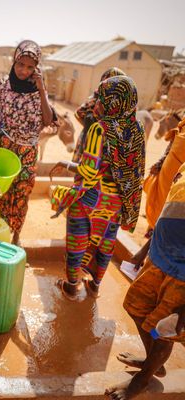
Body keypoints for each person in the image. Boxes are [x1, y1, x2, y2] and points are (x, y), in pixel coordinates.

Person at [49, 75, 145, 299]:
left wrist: (67, 164)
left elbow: (89, 171)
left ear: (113, 102)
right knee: (105, 245)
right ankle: (95, 287)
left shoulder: (100, 129)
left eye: (102, 99)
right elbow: (136, 170)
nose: (98, 104)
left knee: (78, 241)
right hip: (117, 204)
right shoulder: (138, 129)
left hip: (92, 199)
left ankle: (72, 287)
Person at [106, 164, 185, 400]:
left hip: (181, 275)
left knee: (165, 330)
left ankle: (140, 381)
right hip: (159, 257)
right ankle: (154, 363)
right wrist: (144, 250)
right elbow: (169, 210)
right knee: (135, 306)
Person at [0, 40, 57, 245]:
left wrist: (42, 90)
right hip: (6, 148)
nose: (24, 70)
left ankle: (16, 237)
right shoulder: (1, 87)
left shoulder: (38, 92)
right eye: (20, 64)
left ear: (36, 69)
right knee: (1, 192)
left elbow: (48, 120)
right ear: (14, 60)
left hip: (28, 152)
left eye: (30, 67)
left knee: (22, 194)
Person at [142, 116, 185, 237]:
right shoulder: (180, 130)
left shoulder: (180, 130)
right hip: (170, 176)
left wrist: (159, 164)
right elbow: (170, 152)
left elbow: (169, 152)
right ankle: (152, 228)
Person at [72, 67, 126, 163]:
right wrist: (92, 130)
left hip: (98, 145)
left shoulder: (98, 97)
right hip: (95, 146)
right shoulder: (101, 98)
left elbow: (78, 114)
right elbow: (78, 113)